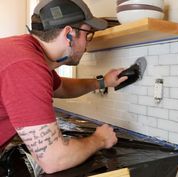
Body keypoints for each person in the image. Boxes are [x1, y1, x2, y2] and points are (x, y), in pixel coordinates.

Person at [0, 0, 127, 174]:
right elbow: (54, 160)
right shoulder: (26, 66)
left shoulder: (25, 50)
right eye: (87, 34)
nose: (87, 44)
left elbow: (63, 88)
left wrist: (103, 82)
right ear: (69, 34)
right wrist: (100, 139)